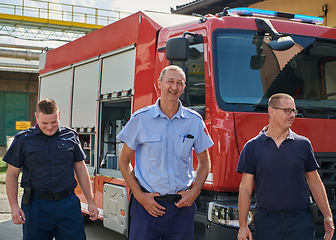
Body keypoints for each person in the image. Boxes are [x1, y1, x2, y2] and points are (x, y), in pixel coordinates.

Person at [117, 65, 214, 240]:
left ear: (184, 88)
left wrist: (195, 192)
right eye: (170, 81)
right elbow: (123, 161)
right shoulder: (141, 119)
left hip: (181, 209)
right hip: (147, 208)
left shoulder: (194, 121)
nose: (174, 87)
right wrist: (140, 196)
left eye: (179, 83)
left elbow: (205, 162)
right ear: (159, 83)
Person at [236, 93, 335, 240]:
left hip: (300, 222)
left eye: (294, 111)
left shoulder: (303, 144)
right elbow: (245, 189)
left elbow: (315, 183)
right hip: (266, 223)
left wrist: (328, 216)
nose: (292, 115)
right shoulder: (252, 147)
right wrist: (243, 226)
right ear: (271, 111)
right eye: (287, 110)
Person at [4, 98, 98, 240]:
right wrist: (14, 206)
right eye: (44, 123)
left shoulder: (71, 136)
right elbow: (11, 174)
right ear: (36, 117)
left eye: (54, 122)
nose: (49, 127)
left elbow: (81, 170)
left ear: (59, 115)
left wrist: (90, 201)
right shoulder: (22, 140)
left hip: (68, 205)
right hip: (36, 205)